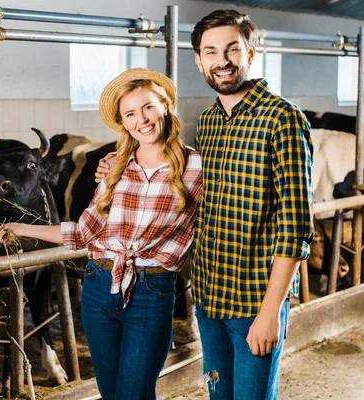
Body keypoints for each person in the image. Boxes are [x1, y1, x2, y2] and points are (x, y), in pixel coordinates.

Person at [97, 9, 314, 400]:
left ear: (251, 52)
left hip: (254, 300)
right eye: (211, 51)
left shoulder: (284, 119)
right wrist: (114, 168)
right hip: (211, 297)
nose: (222, 61)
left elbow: (296, 226)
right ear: (198, 60)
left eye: (232, 49)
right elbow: (170, 176)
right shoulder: (210, 122)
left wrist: (270, 314)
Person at [0, 68, 203, 400]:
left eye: (148, 107)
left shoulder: (197, 167)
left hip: (151, 291)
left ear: (165, 106)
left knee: (134, 393)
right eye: (130, 113)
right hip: (99, 287)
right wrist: (18, 228)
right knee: (113, 394)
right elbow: (85, 232)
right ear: (123, 122)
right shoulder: (115, 166)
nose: (141, 119)